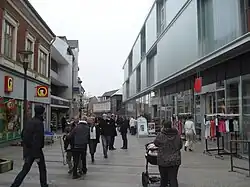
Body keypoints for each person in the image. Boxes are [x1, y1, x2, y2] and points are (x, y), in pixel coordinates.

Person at [10, 105, 48, 187]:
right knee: (42, 169)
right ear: (42, 113)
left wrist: (26, 147)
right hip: (36, 150)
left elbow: (23, 135)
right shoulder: (39, 123)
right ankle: (44, 185)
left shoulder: (29, 121)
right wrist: (37, 155)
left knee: (25, 169)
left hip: (27, 150)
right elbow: (37, 140)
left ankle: (15, 185)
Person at [154, 121, 182, 187]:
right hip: (175, 161)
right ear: (171, 126)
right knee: (173, 179)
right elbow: (180, 145)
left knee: (164, 179)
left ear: (163, 126)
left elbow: (155, 143)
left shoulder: (160, 135)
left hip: (163, 160)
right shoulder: (177, 135)